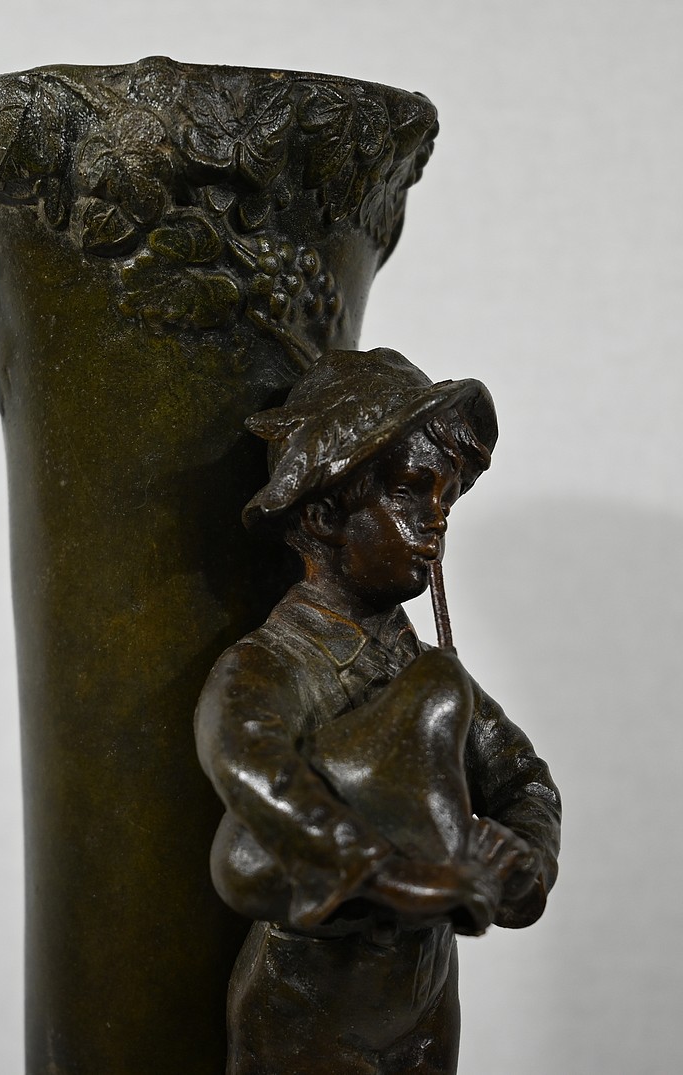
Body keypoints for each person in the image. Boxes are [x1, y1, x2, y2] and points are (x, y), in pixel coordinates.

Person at [195, 348, 561, 1074]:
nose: (436, 520)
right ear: (325, 512)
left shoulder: (425, 666)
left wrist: (525, 857)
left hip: (423, 1001)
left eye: (446, 498)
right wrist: (381, 874)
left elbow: (523, 777)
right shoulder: (270, 664)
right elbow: (249, 761)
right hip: (308, 1013)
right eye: (411, 491)